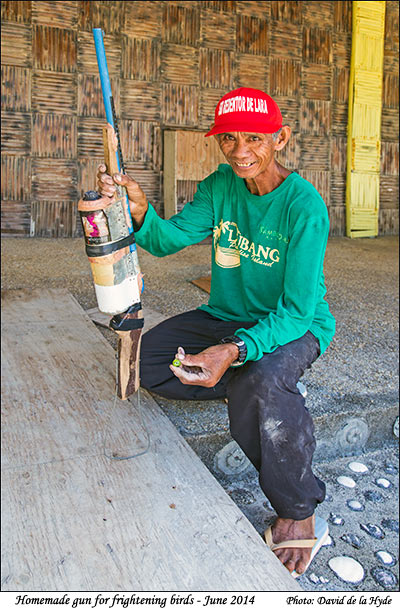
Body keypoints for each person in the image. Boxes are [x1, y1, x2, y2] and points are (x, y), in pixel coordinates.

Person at [96, 87, 336, 577]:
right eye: (228, 139)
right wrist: (140, 212)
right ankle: (262, 387)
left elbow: (295, 310)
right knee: (144, 363)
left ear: (280, 138)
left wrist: (236, 349)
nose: (240, 150)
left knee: (259, 380)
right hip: (226, 313)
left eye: (254, 138)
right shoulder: (220, 186)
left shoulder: (304, 207)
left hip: (292, 324)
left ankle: (299, 507)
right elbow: (167, 240)